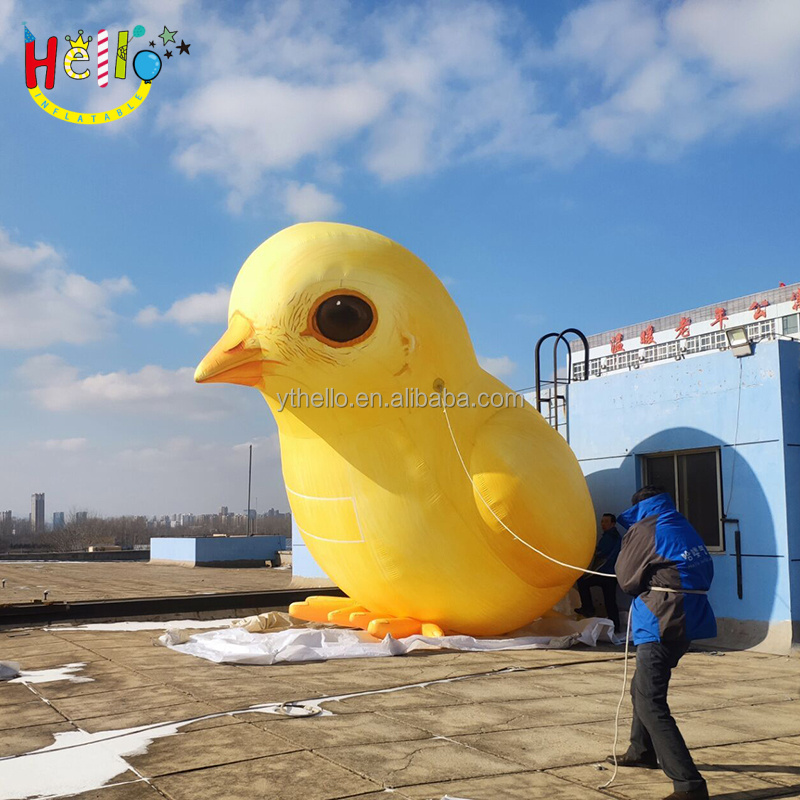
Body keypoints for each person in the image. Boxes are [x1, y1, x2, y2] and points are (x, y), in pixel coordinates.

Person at [610, 485, 717, 800]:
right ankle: (641, 749)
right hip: (689, 618)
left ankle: (689, 784)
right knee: (640, 689)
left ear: (638, 507)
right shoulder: (680, 523)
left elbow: (627, 580)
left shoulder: (645, 529)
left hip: (662, 620)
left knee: (650, 701)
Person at [574, 512, 621, 631]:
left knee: (582, 581)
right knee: (610, 601)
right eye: (602, 521)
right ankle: (616, 626)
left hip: (604, 573)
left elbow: (600, 553)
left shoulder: (610, 537)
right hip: (612, 574)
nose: (603, 524)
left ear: (613, 523)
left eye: (606, 521)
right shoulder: (614, 536)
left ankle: (588, 608)